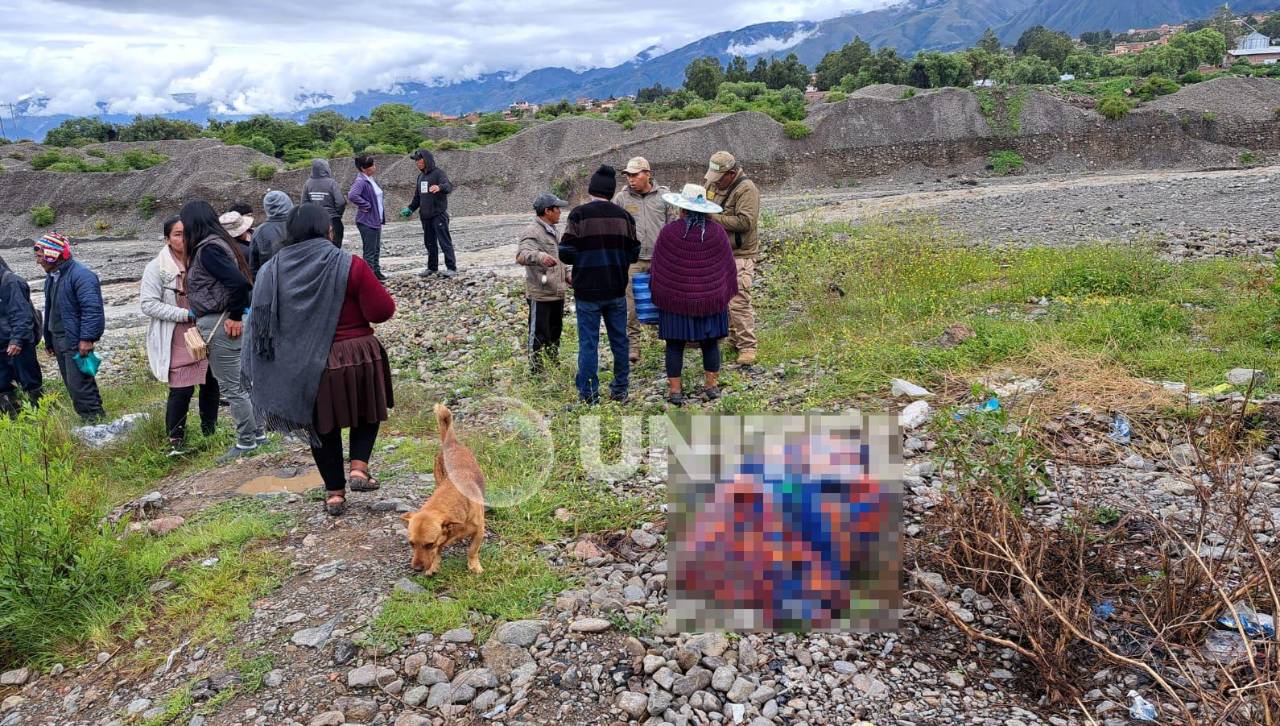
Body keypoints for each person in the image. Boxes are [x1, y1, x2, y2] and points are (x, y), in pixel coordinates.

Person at [243, 203, 396, 517]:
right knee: (366, 410)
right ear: (329, 231)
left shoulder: (271, 271)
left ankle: (335, 494)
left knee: (321, 426)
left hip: (306, 366)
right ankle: (358, 469)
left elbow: (263, 327)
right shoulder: (349, 264)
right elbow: (383, 311)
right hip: (357, 355)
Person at [183, 200, 265, 461]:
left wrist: (234, 315)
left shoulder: (208, 250)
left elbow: (239, 283)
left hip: (219, 324)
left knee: (232, 387)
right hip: (223, 321)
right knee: (244, 383)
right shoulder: (221, 244)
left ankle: (246, 441)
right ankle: (258, 433)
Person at [650, 185, 738, 406]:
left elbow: (658, 267)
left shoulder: (669, 232)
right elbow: (727, 268)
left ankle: (675, 391)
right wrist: (721, 293)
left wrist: (662, 293)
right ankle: (711, 387)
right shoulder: (717, 232)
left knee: (674, 344)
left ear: (682, 209)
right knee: (710, 344)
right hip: (709, 300)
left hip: (676, 301)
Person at [558, 165, 639, 404]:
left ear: (591, 189)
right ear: (612, 192)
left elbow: (565, 253)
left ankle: (589, 396)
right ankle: (620, 390)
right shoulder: (625, 217)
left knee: (589, 344)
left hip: (587, 291)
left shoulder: (579, 215)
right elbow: (633, 253)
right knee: (619, 340)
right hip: (616, 289)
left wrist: (584, 258)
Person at [140, 216, 220, 454]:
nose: (183, 239)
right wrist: (184, 314)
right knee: (181, 388)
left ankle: (210, 432)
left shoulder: (201, 259)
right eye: (177, 234)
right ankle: (175, 440)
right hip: (176, 333)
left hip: (205, 329)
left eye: (186, 233)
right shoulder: (156, 268)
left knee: (211, 382)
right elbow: (148, 304)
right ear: (167, 239)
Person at [35, 232, 105, 422]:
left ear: (53, 254)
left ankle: (95, 420)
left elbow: (92, 309)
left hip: (75, 339)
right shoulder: (52, 277)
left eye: (41, 256)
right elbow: (50, 309)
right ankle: (88, 419)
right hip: (59, 339)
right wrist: (49, 340)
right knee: (71, 383)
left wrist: (87, 338)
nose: (38, 261)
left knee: (80, 383)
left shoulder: (82, 276)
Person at [704, 151, 761, 367]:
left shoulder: (747, 189)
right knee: (721, 300)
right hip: (718, 252)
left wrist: (712, 218)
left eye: (719, 179)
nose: (715, 184)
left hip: (740, 253)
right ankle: (731, 340)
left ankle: (747, 346)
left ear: (731, 173)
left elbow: (746, 222)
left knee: (738, 300)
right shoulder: (712, 185)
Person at [612, 156, 671, 363]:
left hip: (660, 260)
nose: (631, 179)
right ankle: (633, 346)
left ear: (648, 174)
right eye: (628, 175)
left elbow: (673, 227)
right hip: (633, 260)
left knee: (664, 301)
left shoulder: (664, 196)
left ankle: (668, 341)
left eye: (635, 174)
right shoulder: (621, 199)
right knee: (631, 305)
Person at [515, 192, 570, 372]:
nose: (560, 212)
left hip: (557, 291)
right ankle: (536, 370)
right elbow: (521, 255)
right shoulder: (532, 231)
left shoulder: (556, 231)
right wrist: (539, 256)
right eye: (557, 209)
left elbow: (562, 259)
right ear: (547, 211)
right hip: (541, 293)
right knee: (538, 334)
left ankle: (553, 364)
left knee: (555, 332)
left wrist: (568, 274)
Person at [400, 149, 457, 278]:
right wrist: (410, 209)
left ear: (426, 160)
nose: (417, 163)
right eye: (416, 161)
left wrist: (439, 187)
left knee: (444, 241)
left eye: (419, 160)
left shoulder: (438, 173)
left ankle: (451, 267)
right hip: (425, 216)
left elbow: (448, 186)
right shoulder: (420, 177)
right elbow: (417, 198)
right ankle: (432, 267)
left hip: (438, 214)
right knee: (429, 243)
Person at [0, 253, 42, 417]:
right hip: (2, 346)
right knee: (3, 385)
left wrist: (17, 340)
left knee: (29, 382)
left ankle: (40, 418)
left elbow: (22, 315)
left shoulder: (11, 282)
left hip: (18, 345)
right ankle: (12, 420)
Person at [348, 155, 388, 281]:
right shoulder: (361, 181)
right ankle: (369, 278)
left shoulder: (370, 179)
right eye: (371, 165)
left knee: (376, 248)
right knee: (369, 251)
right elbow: (352, 195)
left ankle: (376, 272)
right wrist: (366, 205)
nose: (374, 167)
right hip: (367, 221)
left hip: (375, 219)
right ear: (363, 169)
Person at [302, 158, 347, 248]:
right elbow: (341, 202)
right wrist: (338, 215)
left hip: (314, 223)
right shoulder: (332, 183)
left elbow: (304, 204)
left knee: (317, 250)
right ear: (326, 169)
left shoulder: (308, 183)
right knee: (335, 249)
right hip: (332, 221)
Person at [248, 190, 294, 275]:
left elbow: (253, 267)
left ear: (266, 208)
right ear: (289, 203)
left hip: (271, 281)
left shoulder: (259, 232)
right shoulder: (300, 224)